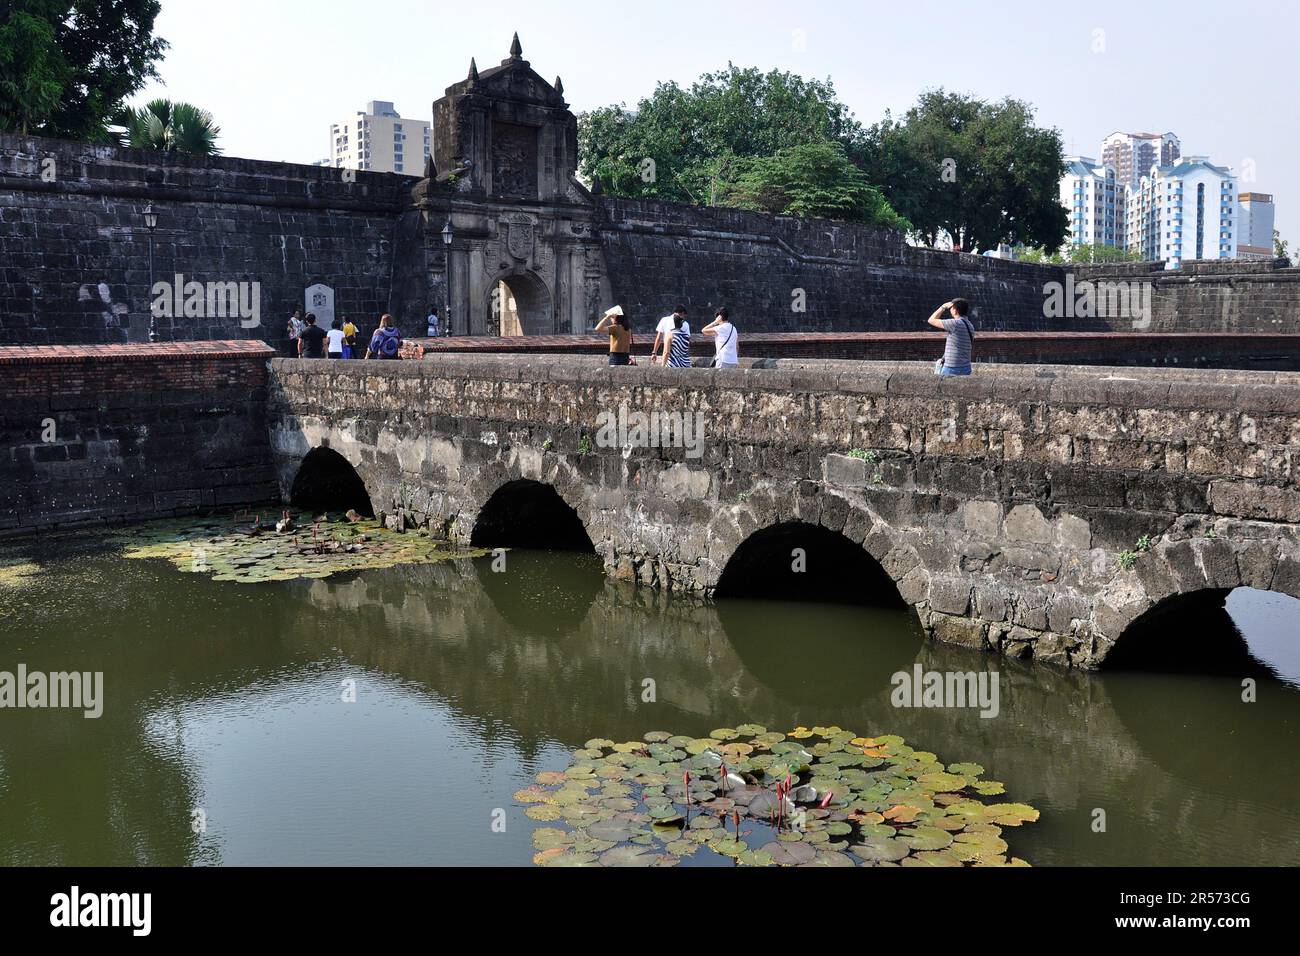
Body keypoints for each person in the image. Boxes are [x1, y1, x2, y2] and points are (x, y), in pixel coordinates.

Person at [926, 298, 975, 376]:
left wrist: (943, 307)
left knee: (943, 388)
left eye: (951, 308)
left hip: (952, 367)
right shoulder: (970, 326)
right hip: (966, 367)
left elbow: (931, 320)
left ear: (955, 310)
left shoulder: (954, 324)